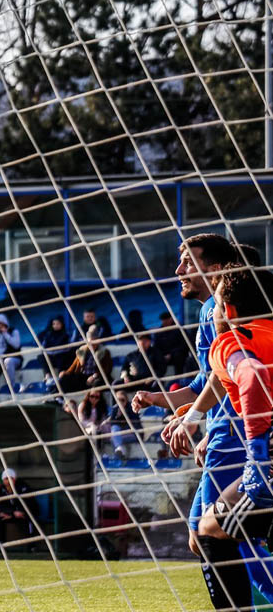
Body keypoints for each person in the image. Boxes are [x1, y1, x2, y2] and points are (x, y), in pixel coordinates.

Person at [132, 234, 273, 605]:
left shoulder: (222, 314)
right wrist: (179, 410)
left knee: (211, 533)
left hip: (240, 440)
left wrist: (214, 428)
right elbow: (209, 380)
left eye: (187, 263)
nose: (178, 271)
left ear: (216, 274)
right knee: (209, 533)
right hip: (237, 434)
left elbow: (243, 375)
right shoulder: (213, 314)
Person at [183, 263, 273, 610]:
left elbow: (250, 378)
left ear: (229, 311)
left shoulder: (229, 342)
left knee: (210, 530)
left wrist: (257, 455)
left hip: (266, 458)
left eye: (217, 306)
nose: (213, 313)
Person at [58, 326, 112, 393]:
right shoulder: (82, 350)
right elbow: (74, 365)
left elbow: (106, 369)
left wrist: (94, 376)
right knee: (64, 379)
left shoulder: (104, 352)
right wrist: (66, 372)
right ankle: (59, 398)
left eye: (94, 342)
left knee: (97, 383)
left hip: (96, 376)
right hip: (82, 375)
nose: (92, 344)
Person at [152, 311, 192, 380]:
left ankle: (179, 378)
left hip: (177, 354)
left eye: (166, 319)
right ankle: (158, 380)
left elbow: (185, 344)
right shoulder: (159, 332)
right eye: (163, 320)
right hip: (163, 355)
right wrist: (162, 355)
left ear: (171, 319)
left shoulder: (179, 329)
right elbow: (156, 346)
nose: (164, 322)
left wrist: (171, 354)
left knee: (178, 356)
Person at [0, 469, 36, 541]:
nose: (9, 481)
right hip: (12, 513)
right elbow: (1, 505)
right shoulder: (1, 489)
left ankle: (31, 546)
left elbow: (30, 503)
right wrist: (12, 513)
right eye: (6, 479)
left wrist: (19, 511)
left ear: (14, 479)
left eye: (11, 478)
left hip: (25, 512)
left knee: (29, 519)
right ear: (3, 480)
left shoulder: (23, 487)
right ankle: (0, 546)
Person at [37, 316, 73, 381]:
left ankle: (60, 376)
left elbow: (68, 348)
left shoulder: (66, 335)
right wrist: (51, 352)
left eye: (58, 324)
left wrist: (54, 351)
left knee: (61, 357)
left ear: (62, 324)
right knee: (41, 357)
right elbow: (44, 348)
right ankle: (48, 375)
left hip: (62, 357)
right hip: (52, 357)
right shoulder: (48, 335)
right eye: (54, 324)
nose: (56, 325)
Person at [0, 313, 22, 383]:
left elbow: (16, 345)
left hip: (13, 358)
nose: (0, 326)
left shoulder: (14, 331)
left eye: (2, 324)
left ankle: (10, 385)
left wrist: (5, 334)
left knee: (8, 361)